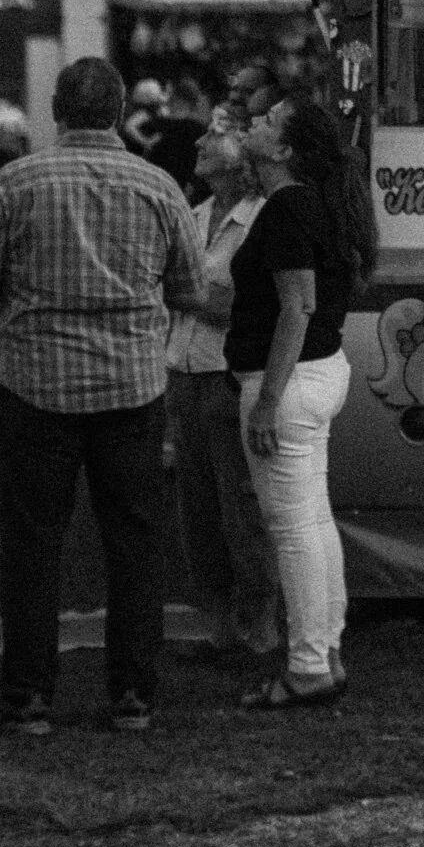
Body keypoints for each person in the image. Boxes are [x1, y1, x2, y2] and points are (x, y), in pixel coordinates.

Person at [0, 56, 205, 734]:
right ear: (120, 112)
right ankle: (133, 695)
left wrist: (29, 292)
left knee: (33, 545)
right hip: (131, 387)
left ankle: (29, 696)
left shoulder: (18, 181)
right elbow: (191, 289)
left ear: (58, 112)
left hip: (38, 387)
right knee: (135, 543)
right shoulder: (157, 184)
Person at [226, 94, 376, 708]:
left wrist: (267, 401)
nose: (254, 124)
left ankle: (310, 663)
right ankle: (323, 651)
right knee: (310, 523)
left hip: (286, 382)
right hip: (316, 375)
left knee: (292, 528)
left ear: (285, 149)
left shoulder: (288, 208)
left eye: (267, 122)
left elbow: (298, 306)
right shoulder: (312, 204)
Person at [165, 107, 280, 658]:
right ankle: (222, 619)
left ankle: (258, 621)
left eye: (219, 133)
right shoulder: (195, 214)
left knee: (241, 507)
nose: (204, 140)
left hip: (227, 376)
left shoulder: (262, 220)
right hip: (184, 372)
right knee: (198, 510)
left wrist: (182, 294)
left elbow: (249, 305)